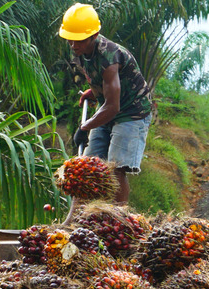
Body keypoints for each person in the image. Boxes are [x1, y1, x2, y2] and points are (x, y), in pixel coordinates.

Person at [59, 3, 152, 206]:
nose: (74, 45)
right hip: (108, 107)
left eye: (79, 40)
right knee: (89, 169)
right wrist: (93, 91)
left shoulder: (110, 56)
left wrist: (84, 127)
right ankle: (83, 220)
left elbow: (113, 106)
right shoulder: (79, 51)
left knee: (114, 168)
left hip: (131, 112)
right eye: (70, 40)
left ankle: (118, 219)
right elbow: (105, 82)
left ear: (94, 35)